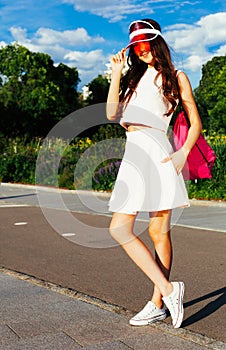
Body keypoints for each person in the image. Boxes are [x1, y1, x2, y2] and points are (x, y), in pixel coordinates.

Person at [106, 19, 202, 329]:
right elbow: (111, 114)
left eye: (147, 43)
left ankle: (157, 303)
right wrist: (117, 73)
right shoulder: (133, 80)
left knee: (158, 232)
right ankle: (170, 289)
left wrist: (183, 152)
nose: (142, 50)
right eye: (137, 46)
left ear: (157, 42)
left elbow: (195, 123)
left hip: (158, 151)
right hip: (133, 152)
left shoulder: (176, 77)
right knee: (119, 228)